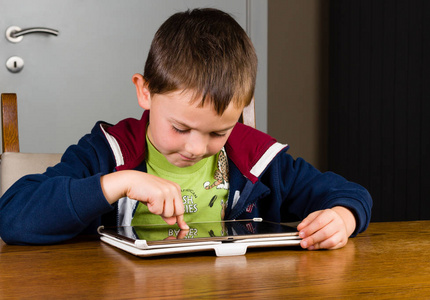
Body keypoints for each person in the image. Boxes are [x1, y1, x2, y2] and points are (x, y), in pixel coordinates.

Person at [0, 8, 372, 250]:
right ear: (145, 92)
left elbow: (348, 193)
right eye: (180, 128)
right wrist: (120, 183)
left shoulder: (255, 157)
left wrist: (343, 216)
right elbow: (13, 216)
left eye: (217, 133)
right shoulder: (107, 152)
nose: (196, 147)